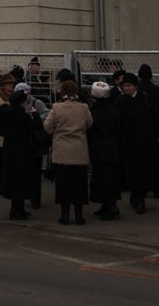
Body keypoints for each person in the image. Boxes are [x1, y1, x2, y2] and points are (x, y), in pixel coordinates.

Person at [44, 79, 93, 225]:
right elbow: (89, 124)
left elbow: (47, 126)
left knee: (63, 185)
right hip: (79, 150)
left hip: (62, 150)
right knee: (79, 184)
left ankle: (64, 214)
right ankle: (79, 215)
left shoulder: (57, 107)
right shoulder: (83, 108)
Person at [114, 72, 159, 215]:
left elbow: (156, 117)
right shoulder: (120, 101)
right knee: (132, 171)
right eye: (124, 86)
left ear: (135, 86)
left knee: (143, 171)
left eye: (129, 85)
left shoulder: (145, 99)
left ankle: (140, 198)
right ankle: (136, 195)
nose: (126, 88)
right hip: (128, 143)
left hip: (145, 142)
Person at [0, 89, 41, 220]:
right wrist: (35, 114)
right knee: (21, 181)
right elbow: (36, 126)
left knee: (13, 180)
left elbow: (1, 132)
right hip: (22, 151)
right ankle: (18, 210)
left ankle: (16, 209)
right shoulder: (23, 116)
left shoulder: (4, 114)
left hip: (9, 150)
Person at [87, 81, 121, 220]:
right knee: (111, 178)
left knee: (101, 179)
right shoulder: (113, 110)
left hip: (98, 149)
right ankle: (107, 205)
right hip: (112, 149)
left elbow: (90, 129)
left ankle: (110, 207)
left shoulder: (93, 111)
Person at [138, 64, 159, 198]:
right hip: (155, 132)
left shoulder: (137, 91)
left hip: (140, 132)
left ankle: (143, 189)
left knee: (141, 162)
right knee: (155, 162)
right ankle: (157, 188)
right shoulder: (158, 91)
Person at [15, 82, 49, 208]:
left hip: (35, 143)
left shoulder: (37, 103)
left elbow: (46, 114)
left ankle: (35, 199)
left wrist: (34, 117)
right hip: (24, 143)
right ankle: (25, 196)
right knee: (25, 173)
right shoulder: (17, 105)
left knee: (35, 173)